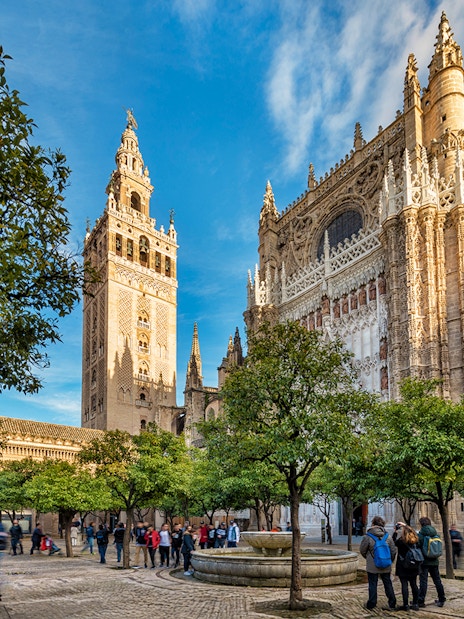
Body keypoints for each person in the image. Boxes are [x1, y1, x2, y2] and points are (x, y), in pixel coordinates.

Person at [359, 515, 397, 611]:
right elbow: (393, 551)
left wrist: (369, 558)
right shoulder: (388, 536)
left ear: (373, 524)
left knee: (372, 584)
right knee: (388, 583)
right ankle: (392, 602)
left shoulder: (368, 536)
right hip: (386, 564)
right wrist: (388, 560)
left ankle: (372, 603)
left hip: (372, 565)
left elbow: (362, 550)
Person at [417, 517, 446, 608]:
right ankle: (441, 599)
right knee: (437, 580)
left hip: (424, 562)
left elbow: (417, 545)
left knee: (423, 581)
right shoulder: (435, 533)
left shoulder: (421, 535)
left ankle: (421, 601)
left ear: (421, 524)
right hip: (434, 561)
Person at [392, 522, 420, 611]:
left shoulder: (401, 542)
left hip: (403, 566)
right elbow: (414, 532)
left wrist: (395, 531)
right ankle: (415, 604)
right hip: (414, 565)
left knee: (404, 585)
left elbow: (393, 542)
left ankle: (406, 605)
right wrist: (405, 525)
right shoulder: (415, 540)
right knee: (414, 584)